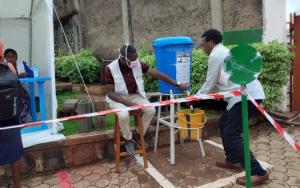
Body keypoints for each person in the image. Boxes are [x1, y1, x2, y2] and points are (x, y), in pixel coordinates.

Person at [190, 29, 269, 186]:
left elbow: (210, 84)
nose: (202, 47)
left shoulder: (216, 55)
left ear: (211, 42)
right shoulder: (223, 52)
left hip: (246, 96)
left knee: (231, 133)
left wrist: (194, 98)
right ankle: (232, 160)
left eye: (203, 44)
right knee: (223, 124)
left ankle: (258, 172)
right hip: (240, 97)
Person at [105, 44, 188, 155]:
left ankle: (139, 135)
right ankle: (128, 139)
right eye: (132, 60)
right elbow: (110, 93)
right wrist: (129, 103)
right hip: (116, 98)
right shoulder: (110, 68)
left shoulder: (137, 63)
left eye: (136, 59)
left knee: (151, 110)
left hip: (134, 95)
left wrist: (176, 84)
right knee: (123, 115)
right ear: (123, 59)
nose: (135, 62)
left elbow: (157, 74)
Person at [0, 39, 23, 188]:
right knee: (15, 153)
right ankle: (16, 185)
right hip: (10, 118)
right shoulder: (8, 67)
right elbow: (18, 88)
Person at [4, 48, 30, 124]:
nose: (10, 59)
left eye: (12, 56)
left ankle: (20, 122)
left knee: (25, 101)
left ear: (16, 58)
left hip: (21, 91)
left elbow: (32, 74)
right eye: (8, 57)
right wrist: (18, 76)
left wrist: (27, 74)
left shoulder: (22, 65)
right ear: (5, 58)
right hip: (8, 93)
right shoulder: (3, 67)